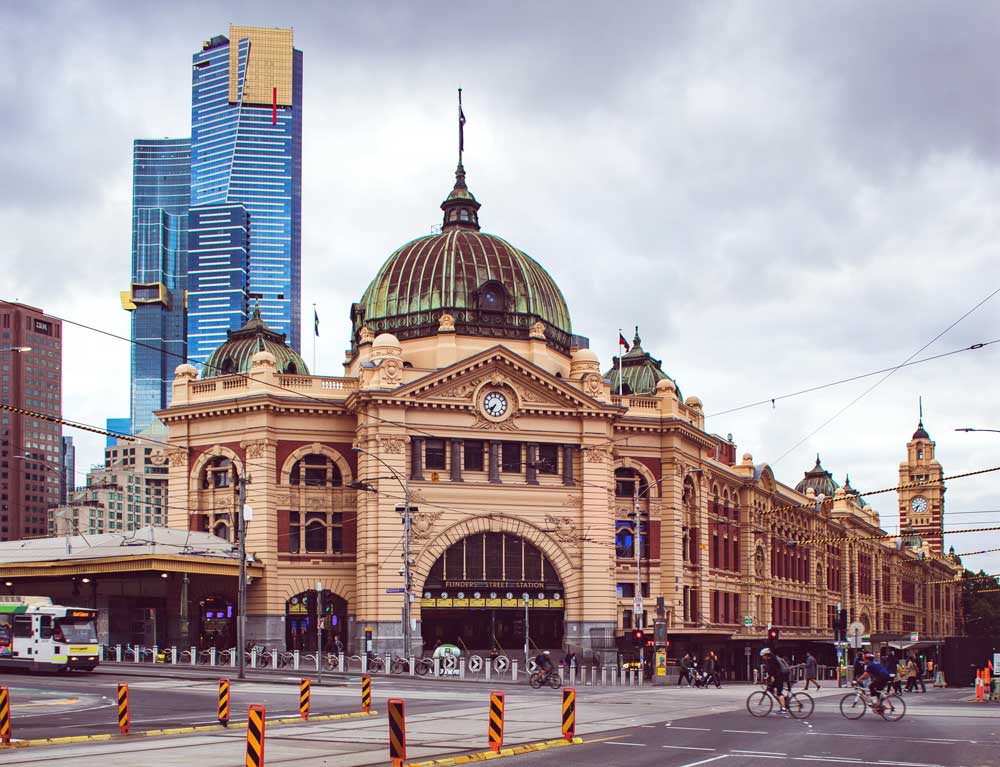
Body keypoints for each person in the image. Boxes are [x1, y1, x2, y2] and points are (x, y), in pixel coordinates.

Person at [761, 647, 791, 714]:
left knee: (779, 692)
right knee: (771, 688)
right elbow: (771, 670)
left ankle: (784, 708)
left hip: (781, 677)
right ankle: (783, 700)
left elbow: (773, 671)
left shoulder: (772, 660)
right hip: (778, 677)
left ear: (766, 655)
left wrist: (768, 677)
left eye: (763, 656)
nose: (762, 657)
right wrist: (768, 677)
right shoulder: (771, 659)